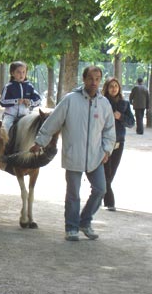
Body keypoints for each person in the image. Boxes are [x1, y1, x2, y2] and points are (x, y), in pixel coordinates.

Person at [29, 66, 116, 241]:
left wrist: (106, 149)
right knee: (73, 193)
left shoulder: (104, 104)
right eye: (91, 78)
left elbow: (109, 130)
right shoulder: (70, 100)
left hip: (96, 156)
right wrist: (40, 142)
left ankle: (85, 221)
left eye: (97, 79)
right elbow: (53, 121)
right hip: (73, 154)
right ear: (84, 79)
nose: (94, 82)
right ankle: (71, 227)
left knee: (101, 189)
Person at [102, 77, 135, 211]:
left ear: (119, 88)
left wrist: (120, 117)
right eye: (111, 86)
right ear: (107, 88)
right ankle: (110, 203)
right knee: (105, 173)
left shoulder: (124, 104)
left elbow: (131, 123)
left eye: (116, 86)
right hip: (103, 142)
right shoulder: (101, 102)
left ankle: (97, 195)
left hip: (119, 142)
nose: (114, 88)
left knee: (111, 173)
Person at [0, 61, 41, 133]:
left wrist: (30, 102)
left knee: (32, 130)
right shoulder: (8, 87)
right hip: (10, 116)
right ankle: (5, 144)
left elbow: (38, 100)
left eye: (23, 72)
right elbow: (2, 102)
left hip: (25, 115)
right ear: (12, 73)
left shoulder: (29, 86)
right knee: (6, 128)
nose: (21, 74)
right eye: (18, 72)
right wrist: (15, 101)